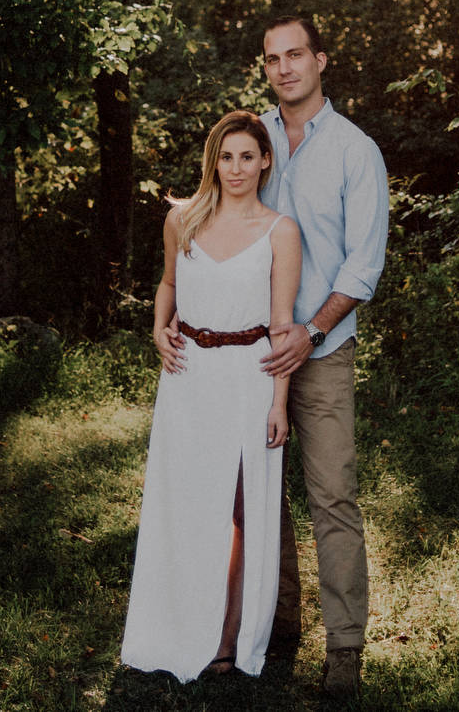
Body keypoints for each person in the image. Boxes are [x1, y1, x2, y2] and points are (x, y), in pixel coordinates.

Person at [157, 17, 390, 697]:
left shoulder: (355, 151)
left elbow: (363, 263)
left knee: (331, 495)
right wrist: (169, 315)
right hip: (237, 356)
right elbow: (201, 222)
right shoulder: (248, 139)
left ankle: (344, 646)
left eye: (296, 55)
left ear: (321, 59)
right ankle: (273, 620)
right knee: (252, 498)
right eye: (272, 58)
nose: (284, 68)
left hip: (319, 350)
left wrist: (310, 333)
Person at [120, 111, 302, 682]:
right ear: (212, 161)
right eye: (226, 157)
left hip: (249, 379)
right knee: (187, 505)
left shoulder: (281, 232)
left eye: (248, 156)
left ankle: (227, 638)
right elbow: (169, 285)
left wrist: (279, 402)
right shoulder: (184, 220)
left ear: (266, 161)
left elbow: (281, 324)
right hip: (188, 377)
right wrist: (158, 328)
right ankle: (173, 627)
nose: (236, 168)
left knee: (243, 509)